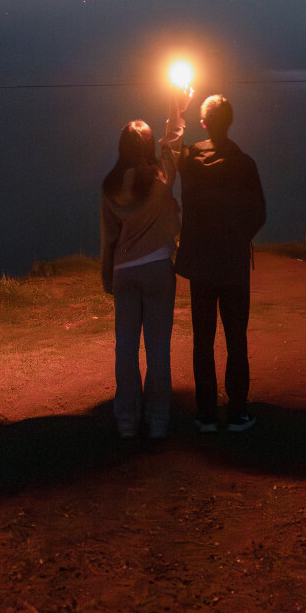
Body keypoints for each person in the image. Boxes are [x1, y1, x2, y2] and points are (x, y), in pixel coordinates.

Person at [174, 92, 266, 434]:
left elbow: (169, 153)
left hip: (201, 263)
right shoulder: (245, 163)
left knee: (203, 338)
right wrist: (237, 238)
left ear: (203, 123)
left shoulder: (190, 159)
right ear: (230, 122)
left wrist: (175, 113)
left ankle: (206, 413)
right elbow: (259, 212)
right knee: (235, 337)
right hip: (233, 265)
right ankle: (239, 411)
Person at [99, 93, 185, 440]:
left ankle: (126, 420)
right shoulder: (162, 175)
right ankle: (159, 420)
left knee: (125, 347)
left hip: (124, 272)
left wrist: (108, 275)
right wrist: (174, 112)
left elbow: (108, 237)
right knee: (158, 348)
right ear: (149, 145)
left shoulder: (110, 185)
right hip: (157, 269)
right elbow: (174, 144)